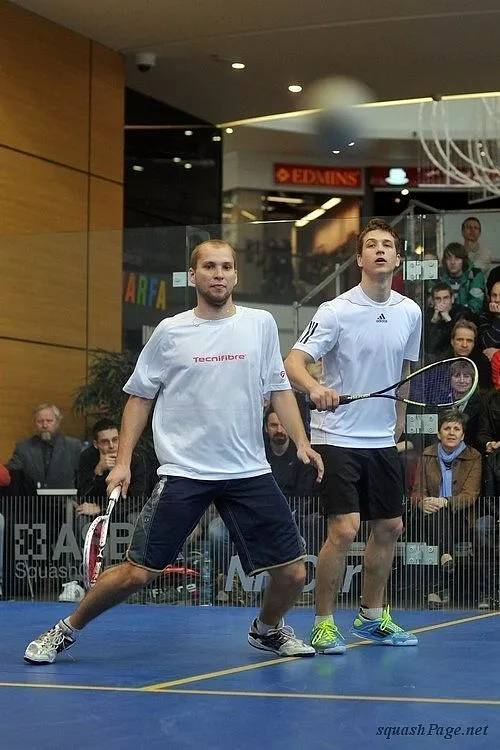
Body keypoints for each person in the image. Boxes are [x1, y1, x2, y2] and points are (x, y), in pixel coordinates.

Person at [24, 239, 324, 665]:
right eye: (209, 266)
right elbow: (139, 398)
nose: (218, 274)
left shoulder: (260, 325)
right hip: (185, 470)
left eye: (226, 267)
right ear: (194, 275)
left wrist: (302, 442)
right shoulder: (170, 332)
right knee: (137, 573)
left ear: (236, 275)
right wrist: (123, 461)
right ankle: (65, 629)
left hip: (247, 470)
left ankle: (268, 629)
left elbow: (278, 389)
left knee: (294, 572)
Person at [284, 218, 421, 655]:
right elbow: (293, 362)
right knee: (344, 529)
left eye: (387, 245)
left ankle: (372, 617)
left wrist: (398, 418)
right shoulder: (335, 310)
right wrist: (316, 388)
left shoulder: (410, 312)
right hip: (337, 435)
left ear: (397, 259)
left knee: (391, 526)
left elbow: (404, 372)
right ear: (359, 259)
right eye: (371, 245)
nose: (380, 250)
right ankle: (324, 623)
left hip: (381, 439)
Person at [409, 409, 481, 608]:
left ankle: (436, 590)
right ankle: (445, 557)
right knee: (435, 516)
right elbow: (416, 491)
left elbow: (470, 495)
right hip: (428, 516)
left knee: (437, 518)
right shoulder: (427, 455)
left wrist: (446, 502)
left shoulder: (474, 457)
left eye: (456, 429)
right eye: (447, 428)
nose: (451, 432)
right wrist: (422, 502)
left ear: (463, 435)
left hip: (461, 519)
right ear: (439, 434)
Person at [6, 404, 81, 494]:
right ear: (34, 423)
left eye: (49, 421)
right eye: (40, 421)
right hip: (32, 504)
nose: (45, 425)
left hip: (64, 504)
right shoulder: (23, 447)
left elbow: (82, 477)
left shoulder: (73, 446)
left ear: (58, 422)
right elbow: (11, 474)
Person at [439, 242, 485, 316]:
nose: (452, 262)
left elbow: (476, 305)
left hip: (469, 319)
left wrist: (454, 312)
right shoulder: (439, 276)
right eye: (449, 258)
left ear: (463, 260)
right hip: (443, 318)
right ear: (445, 261)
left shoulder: (474, 274)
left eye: (457, 258)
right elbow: (433, 304)